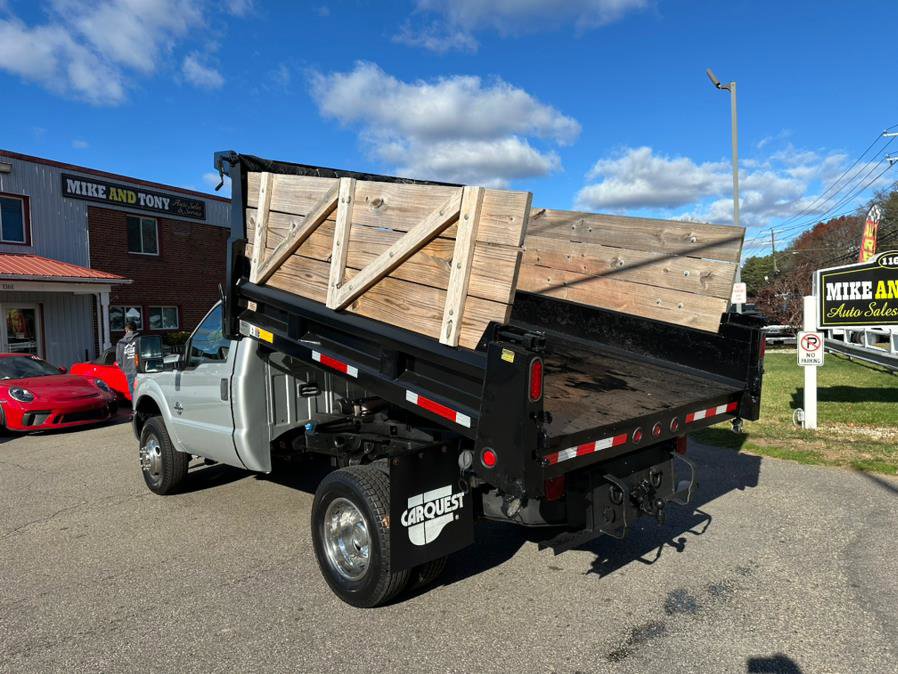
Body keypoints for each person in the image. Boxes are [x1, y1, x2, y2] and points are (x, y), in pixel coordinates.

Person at [116, 320, 139, 403]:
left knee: (133, 392)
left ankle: (136, 412)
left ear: (126, 330)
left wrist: (124, 370)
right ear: (135, 329)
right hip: (141, 371)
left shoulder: (120, 342)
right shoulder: (139, 339)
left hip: (129, 371)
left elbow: (118, 361)